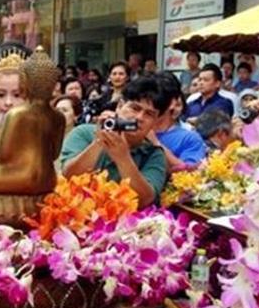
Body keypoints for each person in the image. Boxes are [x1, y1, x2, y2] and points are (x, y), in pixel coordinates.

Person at [61, 75, 169, 209]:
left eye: (149, 114)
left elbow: (144, 200)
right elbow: (69, 176)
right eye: (135, 108)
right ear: (120, 106)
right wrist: (99, 142)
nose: (139, 117)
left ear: (155, 122)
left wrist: (123, 157)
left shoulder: (154, 155)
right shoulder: (84, 132)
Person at [149, 74, 206, 171]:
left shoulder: (190, 138)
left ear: (173, 102)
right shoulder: (133, 131)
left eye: (156, 98)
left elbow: (188, 173)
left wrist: (156, 143)